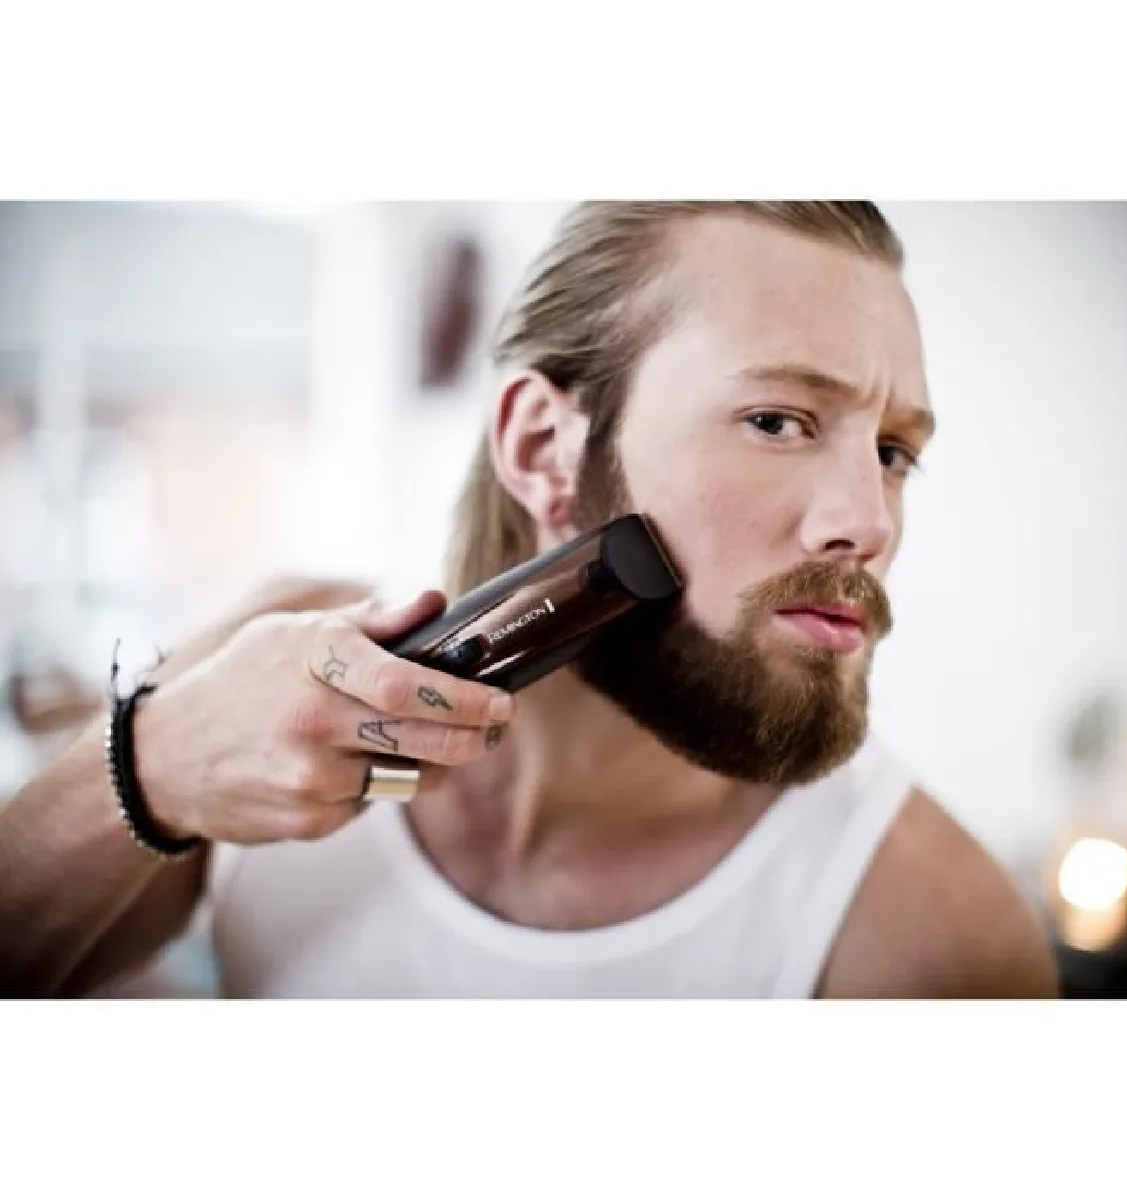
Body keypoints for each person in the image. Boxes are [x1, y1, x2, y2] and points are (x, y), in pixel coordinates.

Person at [0, 202, 1059, 999]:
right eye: (778, 421)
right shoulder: (277, 684)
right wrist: (154, 764)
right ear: (544, 447)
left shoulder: (934, 935)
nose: (869, 520)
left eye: (893, 452)